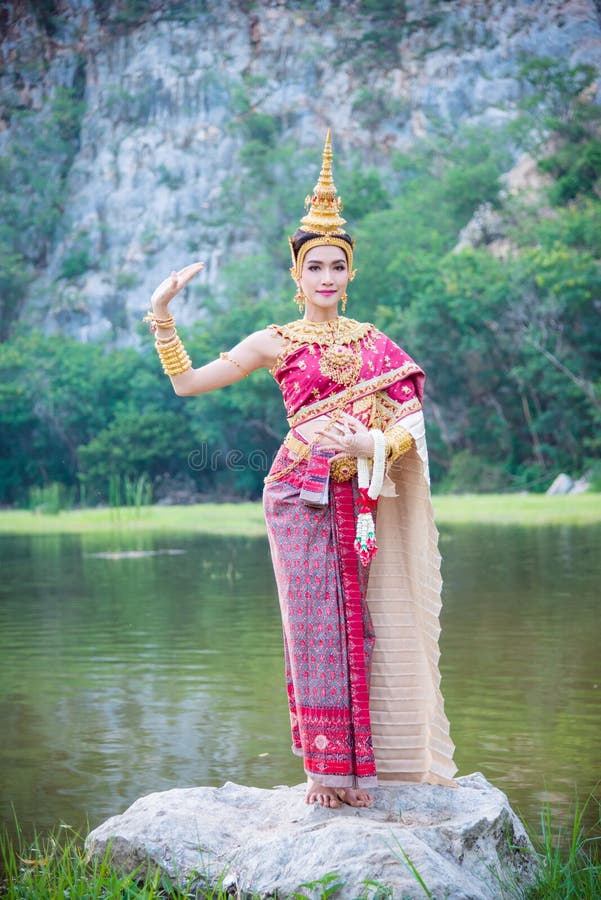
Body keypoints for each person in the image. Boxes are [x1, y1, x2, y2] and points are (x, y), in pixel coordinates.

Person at [145, 131, 456, 809]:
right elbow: (190, 384)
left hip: (361, 497)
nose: (324, 278)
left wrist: (367, 449)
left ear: (349, 274)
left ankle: (366, 771)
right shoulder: (272, 341)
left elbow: (407, 429)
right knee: (312, 624)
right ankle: (324, 777)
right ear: (295, 275)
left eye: (334, 267)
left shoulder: (375, 342)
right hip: (296, 493)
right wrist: (162, 317)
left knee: (363, 622)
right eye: (312, 266)